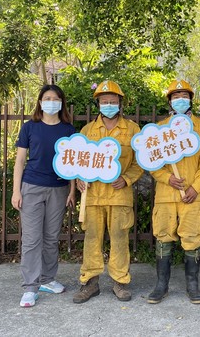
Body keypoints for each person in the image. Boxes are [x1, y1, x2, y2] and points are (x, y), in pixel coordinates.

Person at [73, 80, 143, 304]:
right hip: (93, 195)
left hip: (119, 195)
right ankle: (90, 282)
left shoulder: (132, 129)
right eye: (104, 102)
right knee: (92, 238)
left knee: (120, 238)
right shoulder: (87, 130)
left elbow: (141, 161)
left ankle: (120, 281)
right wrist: (78, 179)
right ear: (98, 104)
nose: (109, 105)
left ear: (120, 103)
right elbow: (77, 160)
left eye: (113, 101)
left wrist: (127, 178)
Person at [147, 80, 200, 304]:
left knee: (193, 239)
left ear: (191, 99)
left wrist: (195, 187)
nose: (180, 100)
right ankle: (161, 286)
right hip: (166, 195)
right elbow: (153, 162)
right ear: (170, 101)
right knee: (163, 237)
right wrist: (167, 178)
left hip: (193, 196)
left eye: (184, 96)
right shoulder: (160, 129)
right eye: (176, 97)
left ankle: (192, 286)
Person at [13, 84, 76, 308]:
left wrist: (71, 190)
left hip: (58, 189)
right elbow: (20, 161)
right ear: (40, 102)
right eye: (47, 98)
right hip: (31, 187)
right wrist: (16, 190)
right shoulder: (30, 127)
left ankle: (47, 279)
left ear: (61, 103)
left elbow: (73, 164)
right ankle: (30, 287)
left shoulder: (69, 130)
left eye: (56, 98)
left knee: (51, 238)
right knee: (31, 239)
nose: (51, 102)